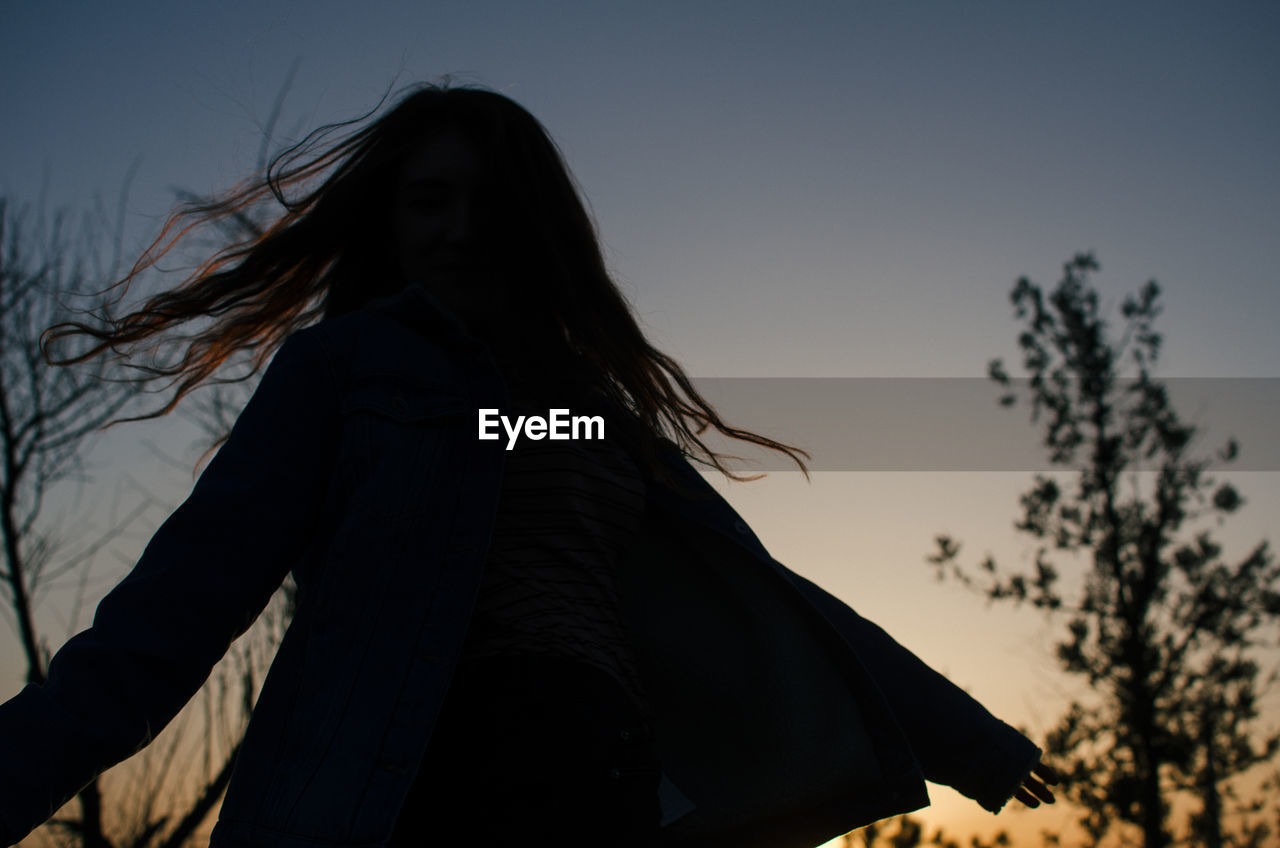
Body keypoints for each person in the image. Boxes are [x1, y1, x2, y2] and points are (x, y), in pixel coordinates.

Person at [0, 83, 1058, 847]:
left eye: (488, 202)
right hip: (414, 774)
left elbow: (766, 589)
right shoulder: (350, 372)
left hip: (596, 774)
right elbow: (178, 605)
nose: (460, 230)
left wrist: (964, 735)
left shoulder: (580, 416)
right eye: (429, 201)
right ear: (395, 221)